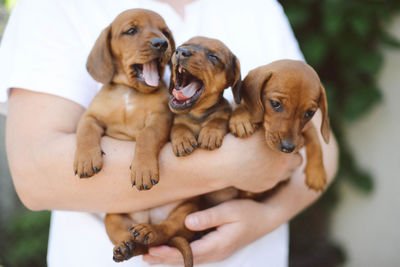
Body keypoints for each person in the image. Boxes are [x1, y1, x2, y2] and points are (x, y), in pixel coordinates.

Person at [0, 0, 338, 266]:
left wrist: (268, 215)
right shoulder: (52, 6)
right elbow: (33, 174)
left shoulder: (260, 7)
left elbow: (319, 136)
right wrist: (230, 166)